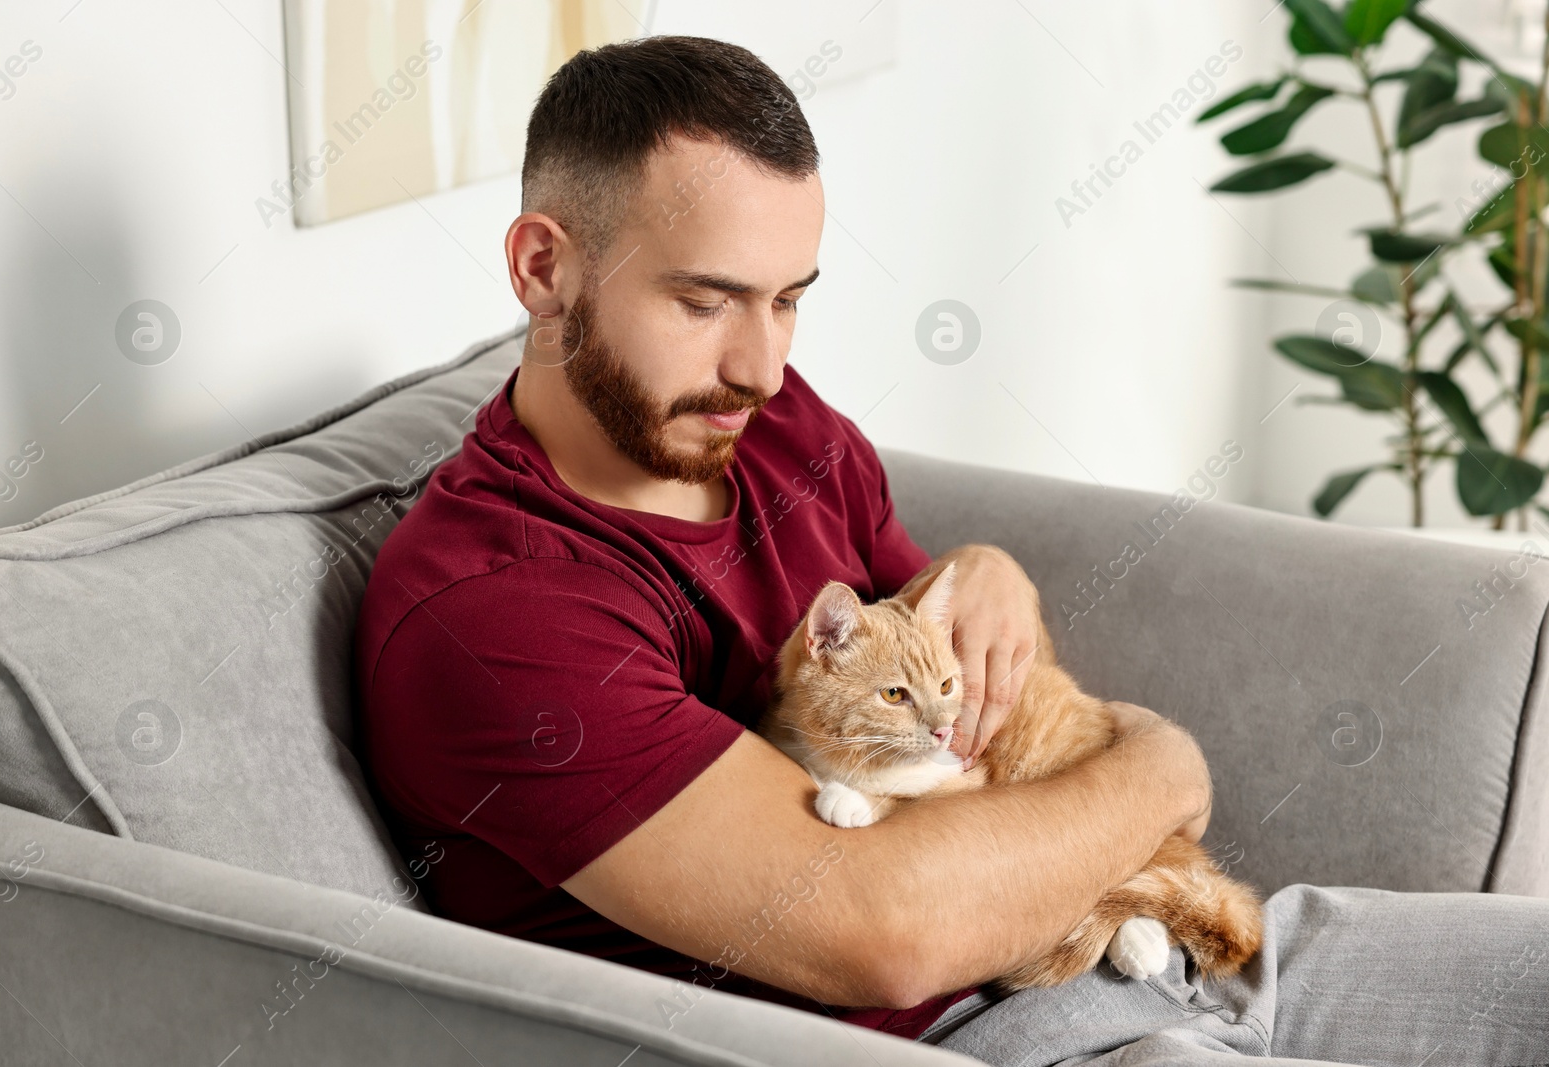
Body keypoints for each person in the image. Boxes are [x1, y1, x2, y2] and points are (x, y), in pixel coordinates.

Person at [353, 34, 1549, 1066]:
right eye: (705, 301)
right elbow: (891, 927)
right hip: (993, 1034)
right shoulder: (494, 609)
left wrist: (990, 566)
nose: (761, 366)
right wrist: (1165, 764)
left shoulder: (776, 431)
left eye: (789, 297)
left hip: (1170, 945)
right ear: (542, 268)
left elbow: (966, 687)